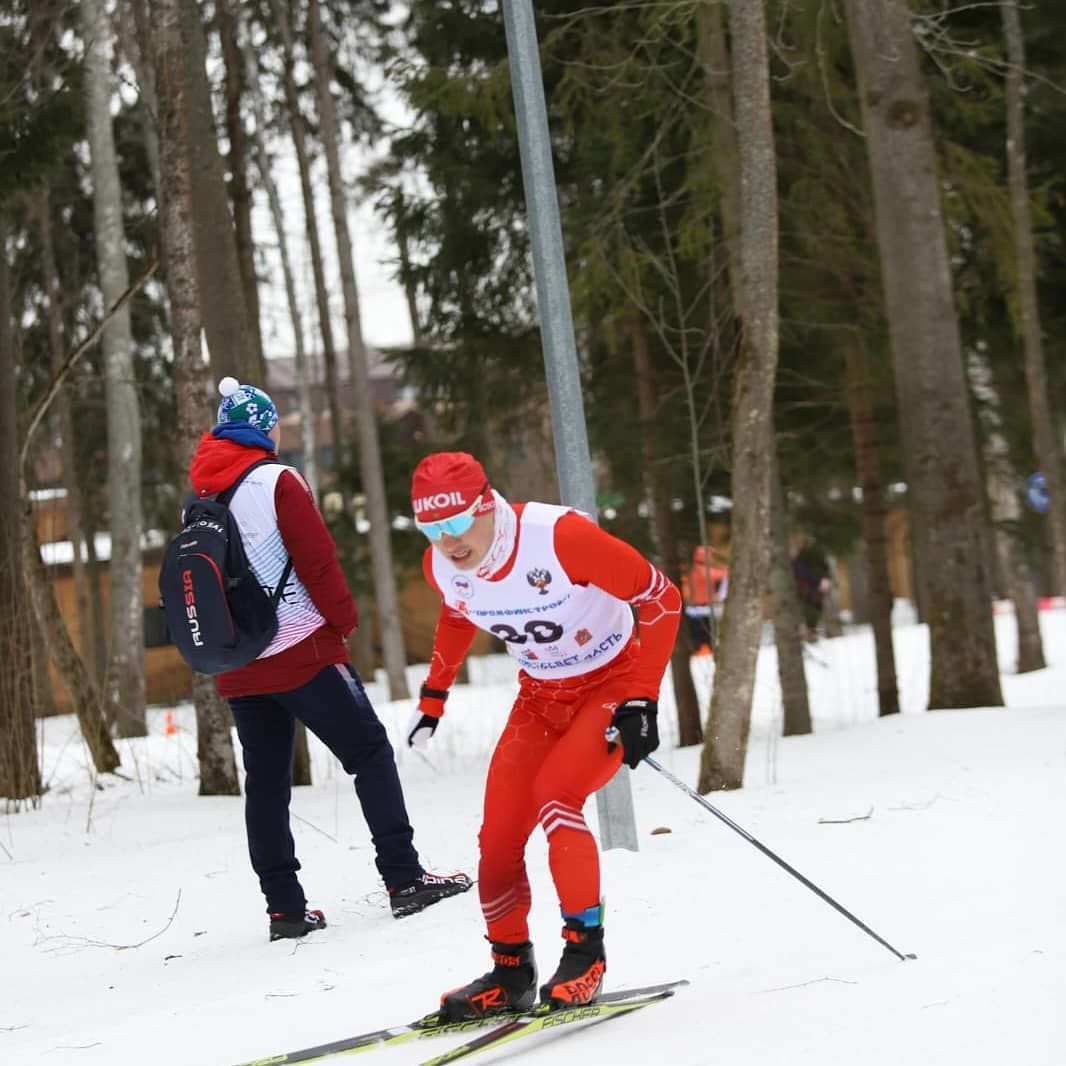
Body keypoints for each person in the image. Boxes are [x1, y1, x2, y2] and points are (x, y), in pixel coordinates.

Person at [187, 378, 471, 941]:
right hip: (302, 649)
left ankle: (285, 910)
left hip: (240, 664)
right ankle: (404, 878)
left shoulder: (200, 496)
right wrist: (342, 622)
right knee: (368, 751)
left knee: (265, 783)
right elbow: (318, 561)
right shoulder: (278, 481)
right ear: (265, 429)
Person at [403, 452, 681, 1020]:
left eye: (456, 523)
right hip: (540, 695)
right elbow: (459, 613)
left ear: (487, 504)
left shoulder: (558, 537)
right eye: (431, 529)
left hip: (611, 678)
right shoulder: (443, 565)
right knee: (497, 837)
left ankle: (585, 956)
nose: (448, 541)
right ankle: (511, 973)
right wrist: (433, 698)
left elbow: (661, 597)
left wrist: (642, 697)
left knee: (558, 798)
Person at [792, 534, 830, 642]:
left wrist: (825, 580)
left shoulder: (818, 553)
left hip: (816, 584)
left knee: (816, 607)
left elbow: (825, 568)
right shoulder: (802, 554)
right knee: (809, 608)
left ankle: (812, 631)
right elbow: (798, 569)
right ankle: (809, 631)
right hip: (808, 585)